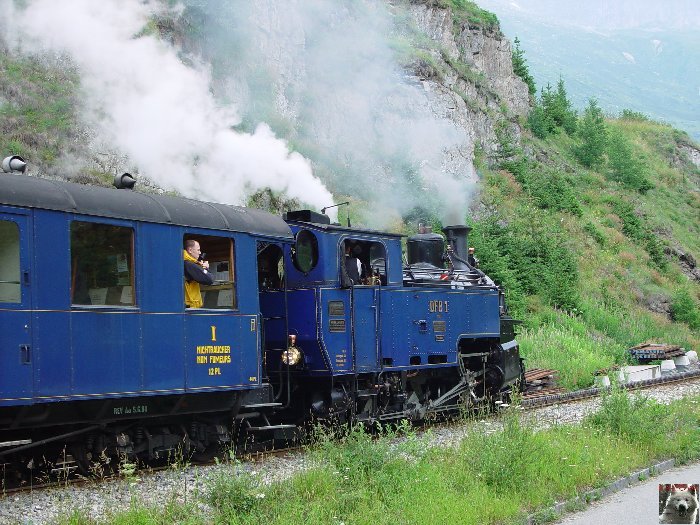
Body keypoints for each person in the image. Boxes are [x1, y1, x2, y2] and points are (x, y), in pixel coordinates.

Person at [184, 239, 213, 308]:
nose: (200, 253)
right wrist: (206, 268)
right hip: (191, 306)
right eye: (198, 250)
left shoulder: (186, 262)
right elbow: (210, 279)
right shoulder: (189, 264)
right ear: (190, 250)